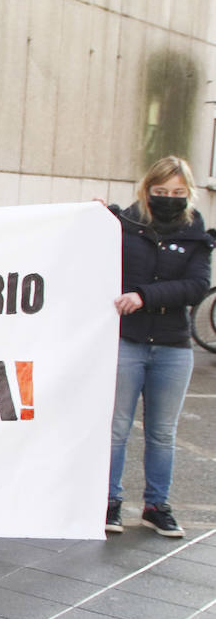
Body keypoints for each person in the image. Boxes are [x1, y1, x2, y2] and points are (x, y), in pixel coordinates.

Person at [104, 155, 211, 538]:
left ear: (189, 193)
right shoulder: (123, 225)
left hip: (172, 347)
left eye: (178, 192)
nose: (169, 198)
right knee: (116, 428)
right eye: (161, 191)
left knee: (162, 433)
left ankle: (156, 506)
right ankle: (109, 502)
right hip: (127, 342)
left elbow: (197, 286)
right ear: (147, 190)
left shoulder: (197, 236)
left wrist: (144, 295)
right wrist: (93, 219)